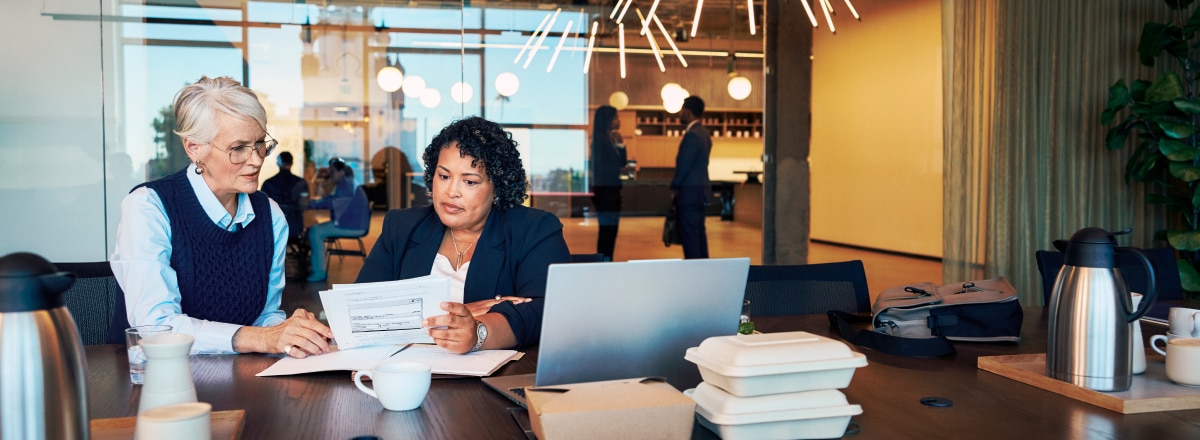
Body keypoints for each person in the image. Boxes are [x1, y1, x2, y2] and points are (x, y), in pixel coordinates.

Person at [109, 76, 332, 358]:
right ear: (194, 148)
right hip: (152, 383)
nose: (256, 160)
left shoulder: (270, 216)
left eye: (260, 143)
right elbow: (156, 328)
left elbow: (264, 316)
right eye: (238, 148)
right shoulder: (148, 207)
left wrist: (290, 332)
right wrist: (263, 338)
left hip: (239, 380)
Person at [356, 116, 570, 354]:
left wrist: (478, 331)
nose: (451, 192)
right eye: (444, 176)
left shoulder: (535, 230)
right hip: (409, 372)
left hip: (494, 380)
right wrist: (461, 312)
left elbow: (548, 312)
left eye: (469, 181)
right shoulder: (401, 227)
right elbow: (360, 313)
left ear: (497, 187)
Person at [306, 157, 370, 282]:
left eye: (332, 171)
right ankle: (316, 267)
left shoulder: (345, 185)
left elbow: (332, 203)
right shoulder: (347, 183)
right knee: (316, 229)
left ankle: (319, 272)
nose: (330, 174)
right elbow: (334, 200)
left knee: (315, 232)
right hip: (353, 222)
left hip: (352, 225)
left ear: (341, 172)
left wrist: (311, 203)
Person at [671, 96, 712, 259]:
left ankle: (694, 268)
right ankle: (702, 267)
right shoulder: (704, 133)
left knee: (690, 235)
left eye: (682, 110)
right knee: (698, 232)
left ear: (688, 112)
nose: (680, 113)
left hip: (689, 191)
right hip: (700, 190)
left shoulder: (692, 135)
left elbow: (684, 166)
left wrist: (674, 186)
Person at [590, 105, 626, 261]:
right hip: (606, 192)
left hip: (610, 191)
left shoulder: (610, 138)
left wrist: (621, 145)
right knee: (607, 231)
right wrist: (618, 171)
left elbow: (622, 162)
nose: (618, 121)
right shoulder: (599, 140)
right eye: (616, 117)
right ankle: (604, 261)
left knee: (610, 231)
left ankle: (606, 260)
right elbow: (599, 167)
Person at [261, 151, 310, 242]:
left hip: (273, 228)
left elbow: (262, 206)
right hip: (294, 228)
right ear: (292, 163)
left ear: (278, 163)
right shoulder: (301, 183)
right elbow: (305, 205)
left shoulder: (268, 183)